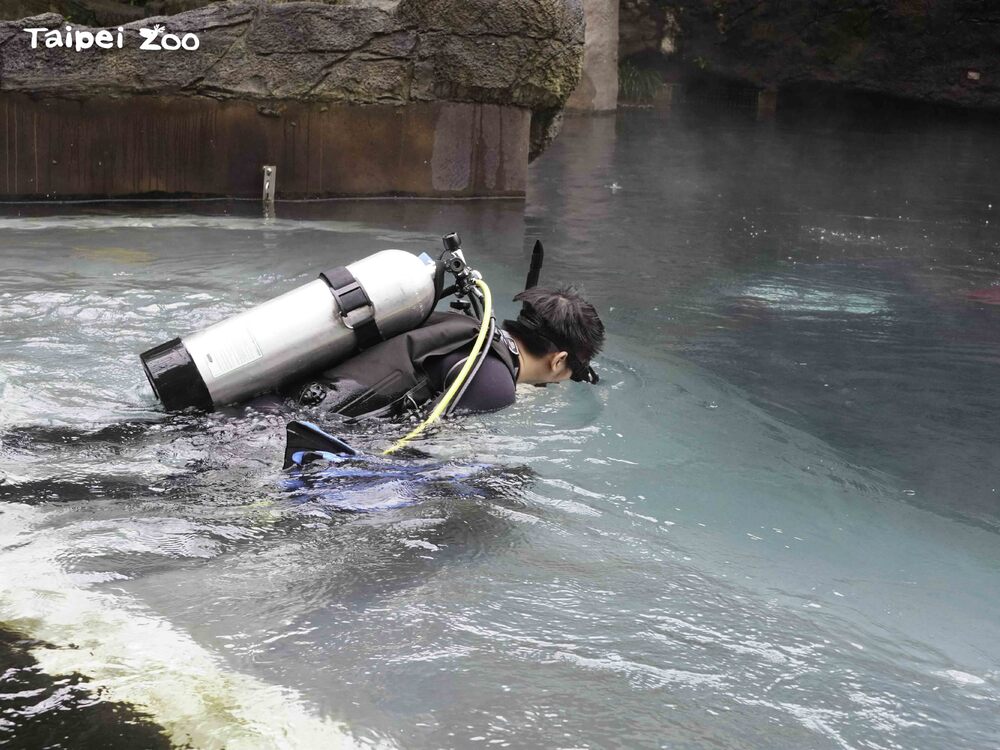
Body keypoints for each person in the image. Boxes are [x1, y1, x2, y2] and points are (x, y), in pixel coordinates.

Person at [287, 286, 605, 419]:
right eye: (574, 371)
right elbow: (418, 444)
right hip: (308, 424)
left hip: (296, 392)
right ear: (559, 360)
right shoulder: (495, 383)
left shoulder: (464, 325)